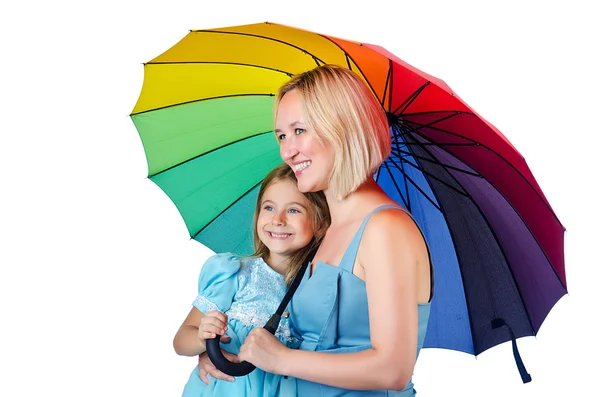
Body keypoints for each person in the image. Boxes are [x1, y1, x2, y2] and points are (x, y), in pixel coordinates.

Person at [197, 64, 434, 396]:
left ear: (343, 128)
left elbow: (393, 369)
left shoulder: (384, 229)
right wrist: (224, 359)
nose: (287, 151)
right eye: (281, 135)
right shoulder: (324, 233)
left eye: (299, 131)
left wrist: (281, 361)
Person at [173, 163, 330, 397]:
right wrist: (202, 340)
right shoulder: (234, 273)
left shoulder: (319, 289)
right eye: (269, 207)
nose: (277, 219)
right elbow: (180, 341)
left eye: (294, 210)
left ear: (319, 224)